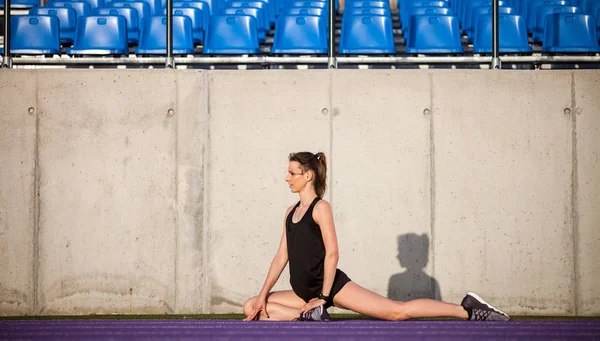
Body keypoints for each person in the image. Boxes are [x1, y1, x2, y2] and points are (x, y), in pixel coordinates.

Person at [243, 152, 510, 322]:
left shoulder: (320, 208)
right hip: (302, 293)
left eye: (292, 173)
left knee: (396, 311)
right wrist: (263, 295)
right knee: (251, 306)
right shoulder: (290, 212)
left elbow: (333, 252)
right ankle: (309, 316)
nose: (286, 178)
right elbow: (281, 257)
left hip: (330, 286)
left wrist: (324, 297)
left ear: (308, 175)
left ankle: (467, 309)